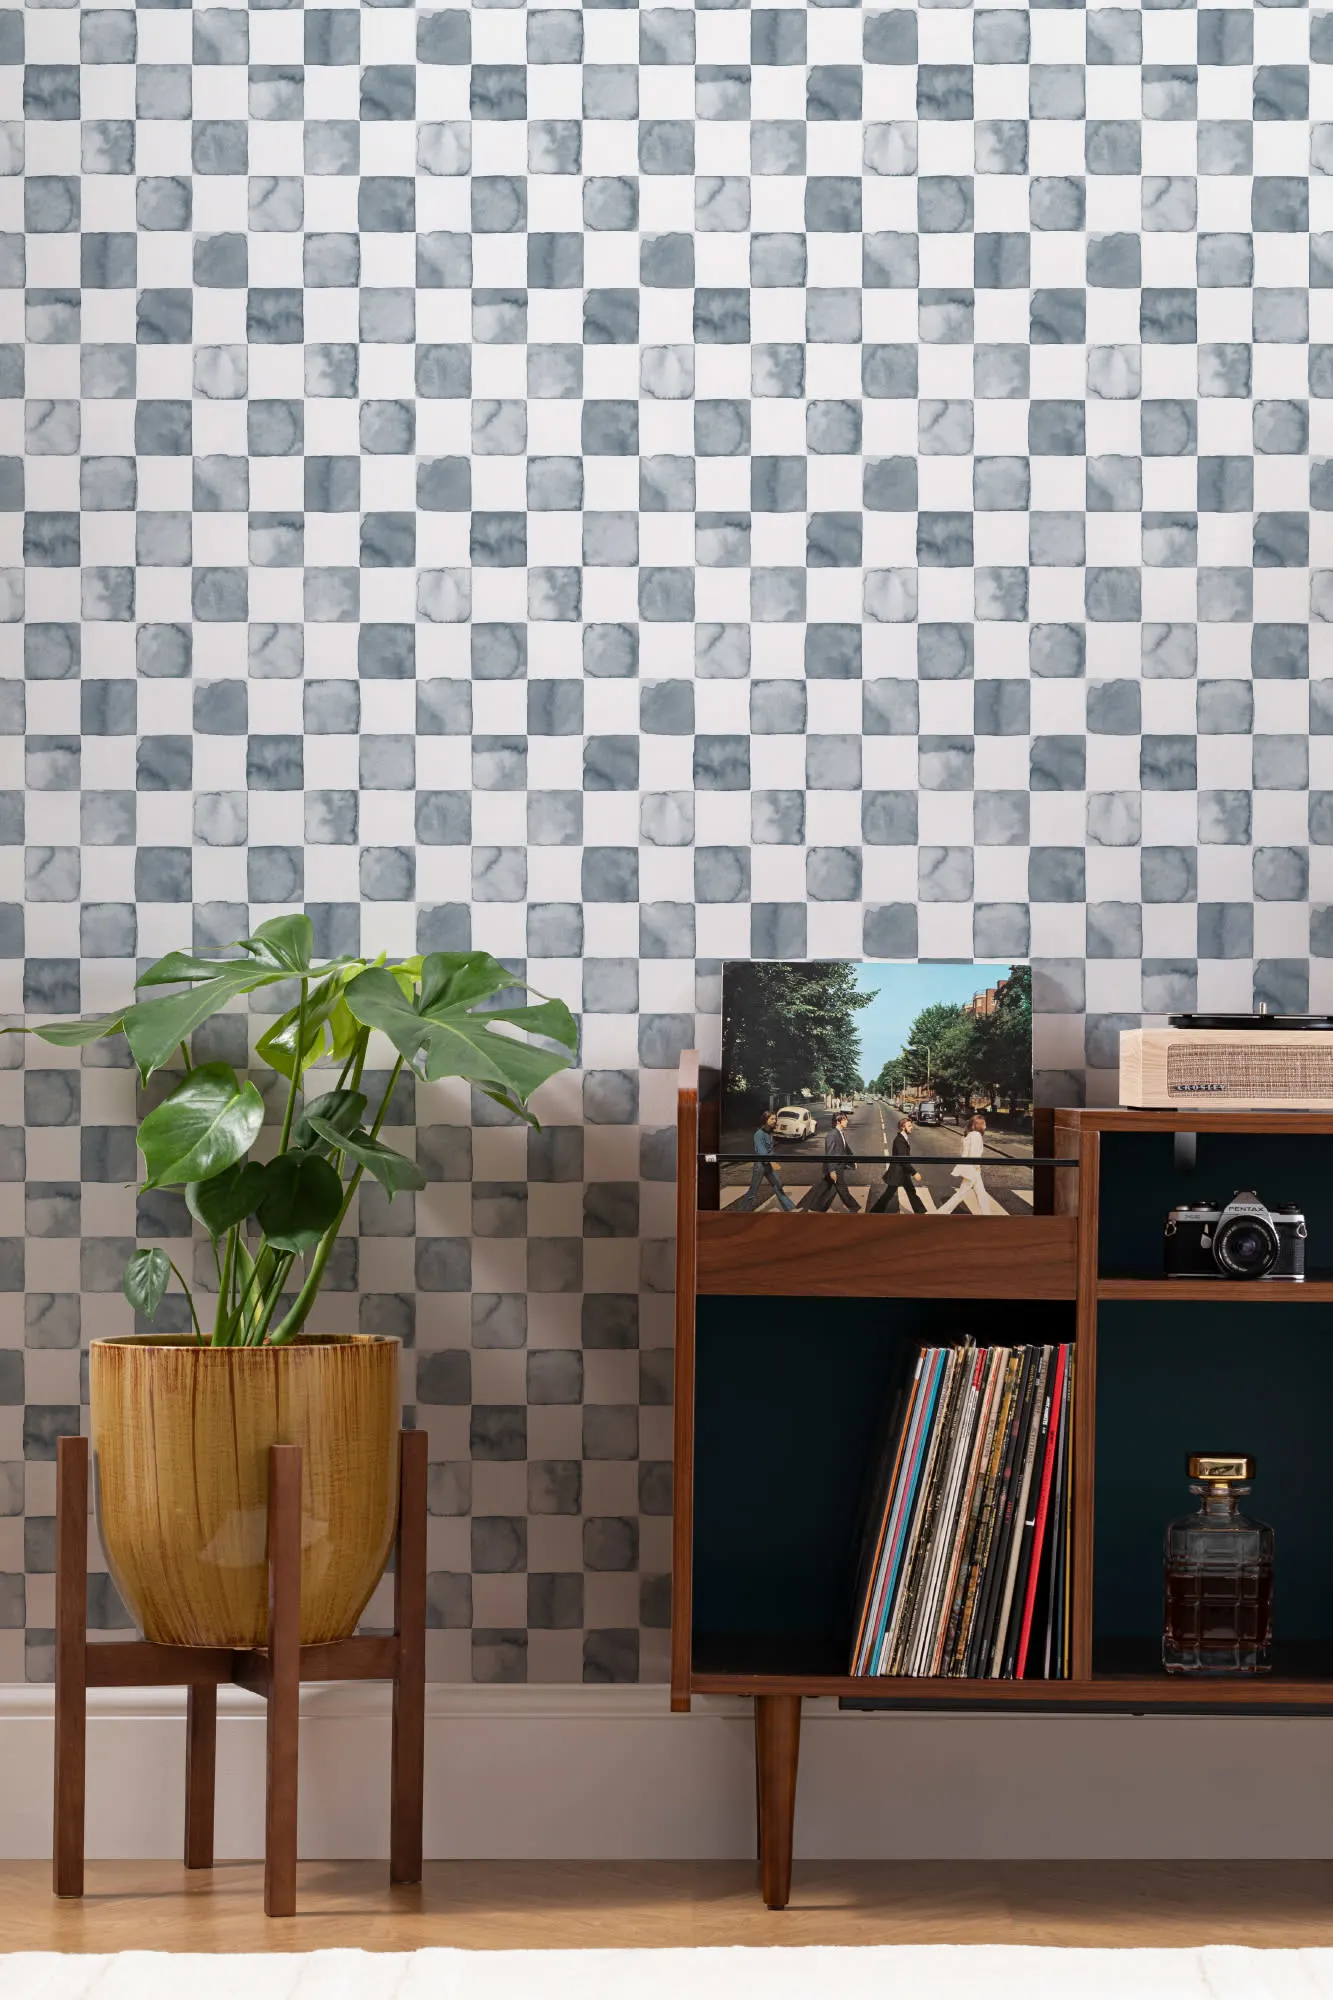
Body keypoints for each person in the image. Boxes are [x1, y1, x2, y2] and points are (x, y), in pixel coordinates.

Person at [936, 1114, 1002, 1215]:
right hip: (972, 1169)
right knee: (962, 1194)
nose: (985, 1125)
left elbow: (963, 1152)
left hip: (970, 1168)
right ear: (978, 1125)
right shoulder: (976, 1135)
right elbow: (974, 1155)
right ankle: (941, 1213)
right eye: (984, 1123)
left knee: (980, 1193)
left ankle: (987, 1214)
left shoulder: (969, 1135)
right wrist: (977, 1168)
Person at [732, 1112, 795, 1212]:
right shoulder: (759, 1134)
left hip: (768, 1164)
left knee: (778, 1186)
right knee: (753, 1190)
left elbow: (770, 1149)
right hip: (760, 1165)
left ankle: (790, 1208)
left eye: (775, 1119)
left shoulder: (769, 1133)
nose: (775, 1121)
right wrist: (773, 1163)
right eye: (772, 1119)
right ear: (765, 1120)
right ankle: (743, 1211)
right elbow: (762, 1152)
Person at [799, 1110, 859, 1212]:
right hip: (835, 1167)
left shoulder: (840, 1133)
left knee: (824, 1187)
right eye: (845, 1119)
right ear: (838, 1121)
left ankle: (814, 1207)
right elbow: (830, 1153)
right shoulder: (832, 1135)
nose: (847, 1121)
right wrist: (832, 1171)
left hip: (837, 1166)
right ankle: (854, 1207)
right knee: (842, 1189)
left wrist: (852, 1161)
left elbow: (846, 1149)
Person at [868, 1117, 926, 1214]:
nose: (911, 1128)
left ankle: (921, 1212)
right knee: (888, 1194)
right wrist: (914, 1173)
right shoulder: (899, 1141)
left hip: (903, 1173)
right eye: (909, 1126)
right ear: (903, 1127)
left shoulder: (903, 1138)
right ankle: (874, 1213)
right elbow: (903, 1160)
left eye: (911, 1126)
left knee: (911, 1192)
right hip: (898, 1173)